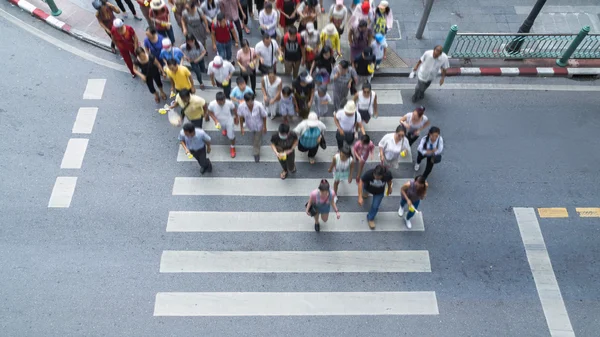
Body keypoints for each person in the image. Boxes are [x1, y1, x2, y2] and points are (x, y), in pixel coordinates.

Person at [358, 164, 392, 229]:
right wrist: (360, 196)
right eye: (375, 175)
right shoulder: (369, 173)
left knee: (375, 206)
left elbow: (389, 181)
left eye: (378, 177)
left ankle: (370, 218)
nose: (376, 177)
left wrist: (389, 188)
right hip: (368, 188)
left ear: (383, 175)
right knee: (364, 193)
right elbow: (361, 181)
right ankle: (365, 193)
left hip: (379, 192)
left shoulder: (387, 174)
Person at [238, 93, 268, 162]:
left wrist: (265, 126)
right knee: (255, 136)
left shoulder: (259, 105)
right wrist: (241, 127)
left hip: (259, 125)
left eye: (251, 101)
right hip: (250, 125)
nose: (250, 103)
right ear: (245, 101)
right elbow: (241, 117)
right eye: (248, 101)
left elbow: (264, 116)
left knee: (256, 140)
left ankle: (256, 153)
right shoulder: (241, 106)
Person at [208, 91, 238, 158]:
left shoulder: (229, 103)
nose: (222, 103)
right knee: (223, 128)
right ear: (216, 100)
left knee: (231, 136)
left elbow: (234, 109)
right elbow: (209, 112)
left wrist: (236, 117)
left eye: (223, 101)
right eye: (220, 102)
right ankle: (225, 130)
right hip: (219, 121)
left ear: (225, 99)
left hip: (229, 121)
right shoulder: (212, 104)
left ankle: (232, 147)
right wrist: (215, 120)